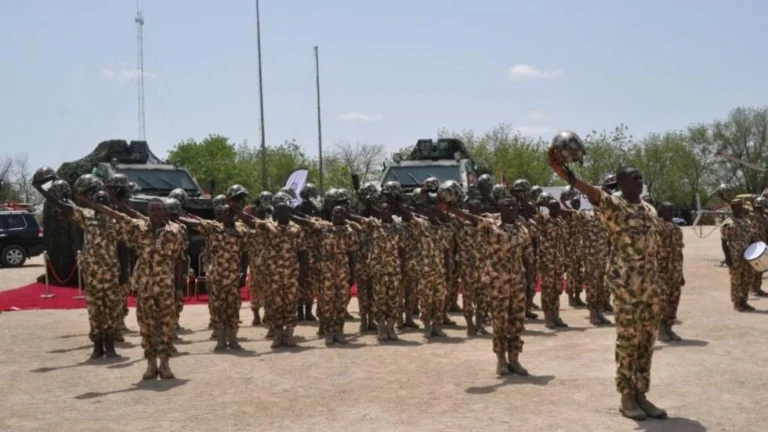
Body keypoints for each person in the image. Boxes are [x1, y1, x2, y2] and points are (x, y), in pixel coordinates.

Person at [548, 141, 668, 421]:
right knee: (628, 341)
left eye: (640, 177)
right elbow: (589, 190)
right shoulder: (615, 206)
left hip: (651, 287)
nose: (638, 181)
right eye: (632, 178)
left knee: (646, 343)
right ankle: (627, 398)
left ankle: (642, 394)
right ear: (621, 183)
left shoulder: (649, 210)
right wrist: (560, 170)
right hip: (627, 288)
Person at [87, 196, 184, 381]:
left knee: (165, 326)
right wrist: (97, 205)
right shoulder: (140, 230)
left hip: (165, 288)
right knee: (146, 326)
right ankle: (151, 364)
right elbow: (121, 216)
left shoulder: (175, 231)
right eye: (152, 210)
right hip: (145, 287)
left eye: (158, 209)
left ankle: (164, 364)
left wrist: (179, 286)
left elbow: (179, 258)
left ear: (164, 211)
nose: (155, 213)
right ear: (147, 213)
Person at [33, 175, 123, 360]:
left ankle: (110, 345)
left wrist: (125, 273)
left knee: (112, 309)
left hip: (111, 272)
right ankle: (97, 346)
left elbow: (122, 248)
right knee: (95, 309)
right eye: (98, 202)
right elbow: (63, 206)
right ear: (92, 204)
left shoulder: (117, 222)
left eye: (104, 202)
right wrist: (41, 190)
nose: (101, 205)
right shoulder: (86, 216)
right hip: (92, 273)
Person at [445, 193, 530, 376]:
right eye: (507, 206)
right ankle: (501, 360)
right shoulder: (490, 226)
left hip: (517, 283)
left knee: (516, 323)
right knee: (500, 322)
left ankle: (514, 359)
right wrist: (451, 209)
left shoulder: (522, 230)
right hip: (498, 283)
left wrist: (529, 282)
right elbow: (471, 218)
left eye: (514, 206)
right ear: (499, 209)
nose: (511, 209)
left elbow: (526, 257)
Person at [292, 206, 358, 345]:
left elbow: (352, 254)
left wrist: (352, 274)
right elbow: (305, 222)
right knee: (327, 302)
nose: (338, 215)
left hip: (342, 272)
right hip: (326, 272)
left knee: (341, 302)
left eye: (341, 212)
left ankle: (338, 331)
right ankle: (328, 332)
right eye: (335, 212)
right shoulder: (324, 228)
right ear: (331, 214)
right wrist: (290, 213)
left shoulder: (349, 231)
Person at [346, 202, 403, 342]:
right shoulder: (374, 225)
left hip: (394, 270)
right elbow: (357, 219)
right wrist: (345, 212)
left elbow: (402, 250)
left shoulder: (398, 228)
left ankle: (391, 327)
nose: (385, 212)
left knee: (393, 300)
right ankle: (381, 328)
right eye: (382, 209)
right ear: (379, 212)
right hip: (378, 271)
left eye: (388, 209)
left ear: (392, 210)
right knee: (379, 300)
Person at [536, 199, 568, 329]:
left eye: (558, 206)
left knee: (557, 288)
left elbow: (562, 242)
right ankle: (548, 317)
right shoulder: (544, 220)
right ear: (549, 208)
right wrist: (537, 204)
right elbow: (532, 211)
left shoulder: (560, 221)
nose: (557, 209)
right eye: (554, 207)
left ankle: (556, 316)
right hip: (547, 260)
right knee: (547, 289)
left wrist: (564, 260)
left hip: (559, 260)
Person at [721, 199, 757, 312]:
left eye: (741, 206)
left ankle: (744, 301)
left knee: (747, 279)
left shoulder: (746, 221)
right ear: (733, 208)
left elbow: (751, 238)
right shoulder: (728, 223)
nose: (741, 208)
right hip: (735, 256)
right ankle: (737, 303)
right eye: (738, 206)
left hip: (748, 256)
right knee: (736, 281)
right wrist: (727, 257)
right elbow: (723, 242)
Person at [656, 202, 685, 341]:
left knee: (673, 300)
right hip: (660, 271)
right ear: (661, 211)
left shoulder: (677, 229)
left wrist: (681, 273)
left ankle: (669, 327)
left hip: (675, 271)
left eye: (673, 210)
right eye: (668, 210)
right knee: (661, 300)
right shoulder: (656, 227)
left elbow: (680, 252)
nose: (671, 212)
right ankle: (660, 328)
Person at [560, 188, 587, 308]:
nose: (577, 204)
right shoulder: (567, 214)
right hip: (570, 250)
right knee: (571, 275)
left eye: (578, 203)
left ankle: (578, 296)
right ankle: (571, 297)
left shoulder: (581, 215)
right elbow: (562, 209)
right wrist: (563, 201)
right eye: (574, 203)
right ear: (571, 203)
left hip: (579, 249)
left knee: (579, 274)